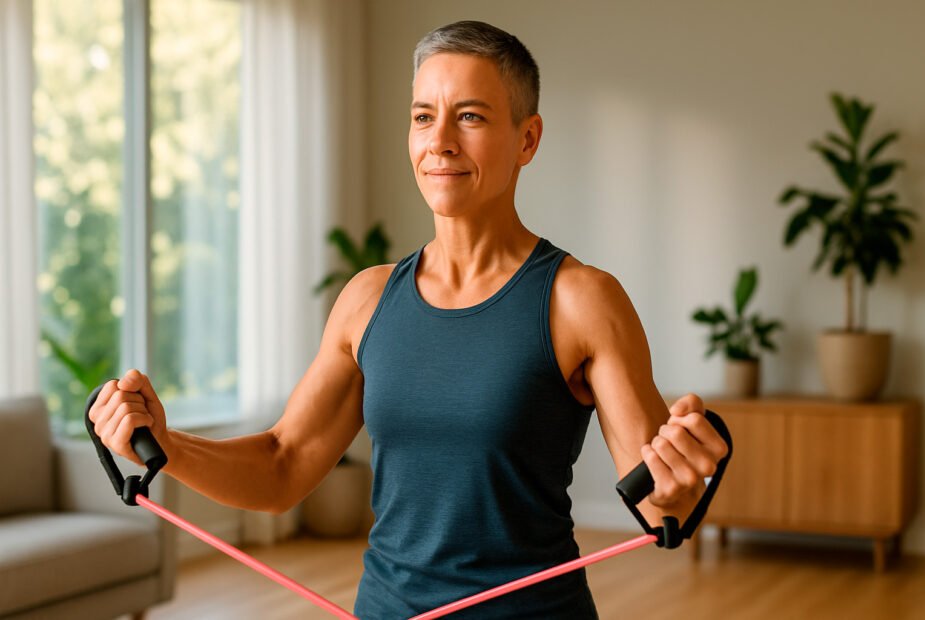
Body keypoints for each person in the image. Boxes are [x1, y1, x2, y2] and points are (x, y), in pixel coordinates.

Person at [91, 20, 728, 619]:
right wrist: (169, 447)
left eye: (470, 117)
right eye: (424, 117)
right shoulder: (368, 299)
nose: (440, 142)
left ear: (527, 139)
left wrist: (675, 487)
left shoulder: (580, 300)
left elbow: (654, 497)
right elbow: (283, 465)